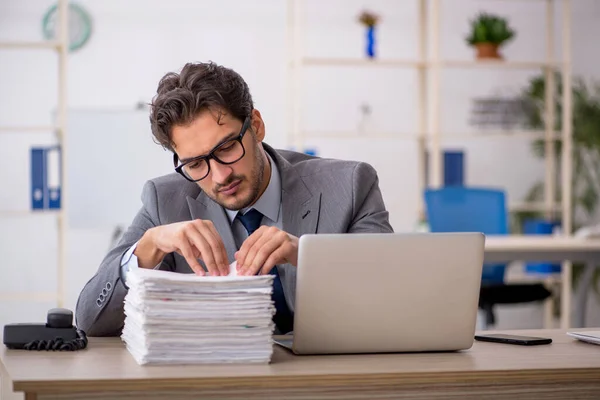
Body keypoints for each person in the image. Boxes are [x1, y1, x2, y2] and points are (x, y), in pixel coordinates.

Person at [75, 61, 393, 336]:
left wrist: (305, 255)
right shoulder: (165, 201)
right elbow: (90, 320)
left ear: (255, 125)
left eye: (227, 148)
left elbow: (391, 294)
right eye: (196, 164)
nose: (219, 176)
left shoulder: (350, 185)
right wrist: (147, 249)